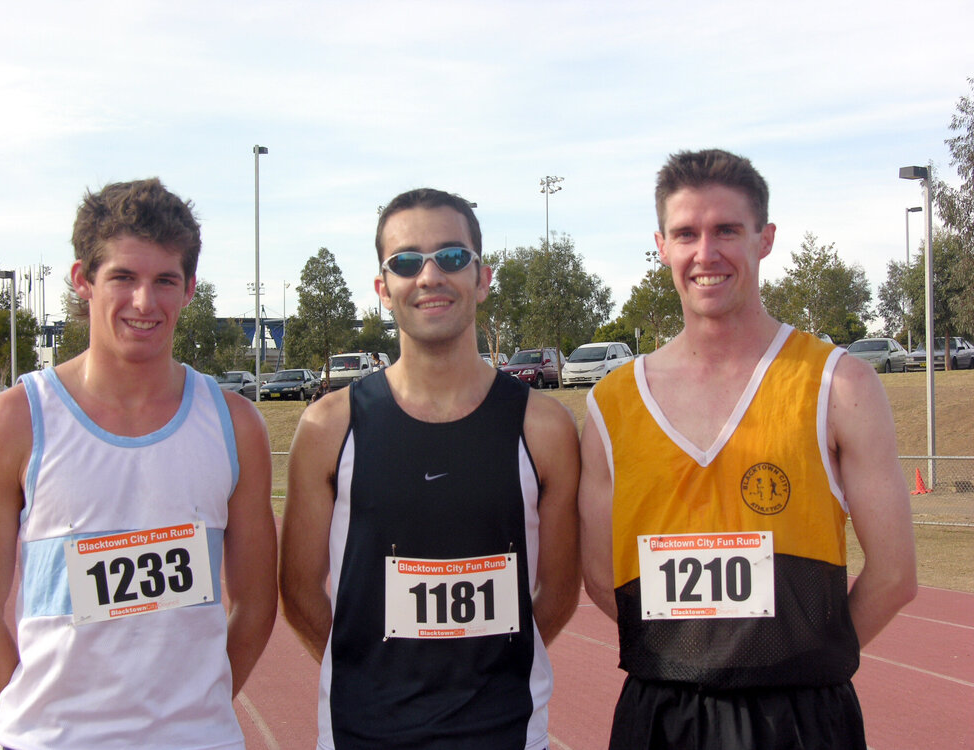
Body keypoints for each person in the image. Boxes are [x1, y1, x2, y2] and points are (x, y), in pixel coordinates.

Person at [578, 149, 917, 749]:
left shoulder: (839, 385)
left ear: (765, 239)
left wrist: (800, 658)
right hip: (661, 712)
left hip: (802, 718)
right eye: (686, 233)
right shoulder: (611, 403)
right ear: (661, 245)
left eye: (727, 230)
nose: (706, 254)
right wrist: (693, 657)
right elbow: (602, 578)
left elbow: (894, 575)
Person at [0, 178, 277, 749]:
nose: (145, 302)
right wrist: (35, 720)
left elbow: (257, 604)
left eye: (165, 280)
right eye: (123, 277)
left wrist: (193, 715)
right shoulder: (11, 424)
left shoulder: (235, 425)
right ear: (82, 280)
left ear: (189, 289)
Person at [280, 188, 581, 750]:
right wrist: (368, 673)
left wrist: (493, 671)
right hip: (360, 734)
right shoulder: (328, 427)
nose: (429, 276)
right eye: (406, 261)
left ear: (482, 277)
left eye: (451, 256)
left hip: (506, 733)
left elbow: (559, 590)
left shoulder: (545, 429)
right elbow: (298, 592)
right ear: (383, 289)